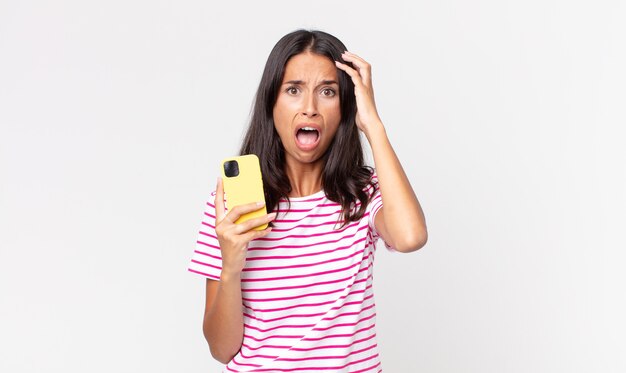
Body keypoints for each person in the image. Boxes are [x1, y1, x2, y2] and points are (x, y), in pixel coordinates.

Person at [188, 29, 427, 372]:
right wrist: (230, 267)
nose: (310, 108)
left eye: (327, 92)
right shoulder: (231, 205)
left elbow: (410, 237)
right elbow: (222, 349)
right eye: (294, 90)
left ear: (345, 106)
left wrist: (372, 124)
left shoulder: (363, 194)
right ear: (271, 103)